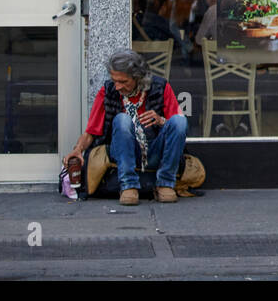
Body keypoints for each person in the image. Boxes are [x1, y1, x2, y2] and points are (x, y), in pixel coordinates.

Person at [64, 49, 188, 205]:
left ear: (138, 78)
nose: (117, 86)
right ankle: (128, 185)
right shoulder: (108, 91)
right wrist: (77, 149)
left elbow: (176, 128)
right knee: (122, 119)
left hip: (155, 150)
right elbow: (91, 132)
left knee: (180, 121)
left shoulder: (160, 87)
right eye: (115, 80)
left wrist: (160, 120)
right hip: (122, 152)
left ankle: (165, 183)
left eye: (123, 82)